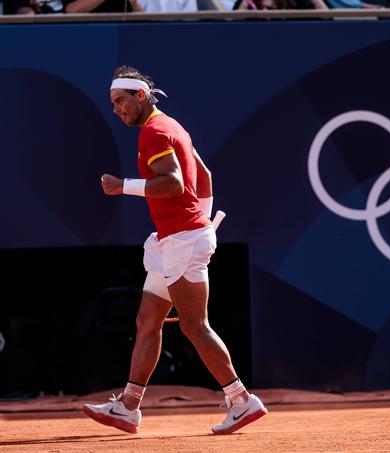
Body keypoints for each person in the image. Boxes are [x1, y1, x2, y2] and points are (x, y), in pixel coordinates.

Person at [83, 65, 267, 435]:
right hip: (177, 238)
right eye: (112, 103)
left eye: (120, 101)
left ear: (139, 95)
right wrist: (203, 217)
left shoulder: (154, 132)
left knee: (195, 326)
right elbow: (205, 175)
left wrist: (123, 187)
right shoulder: (170, 124)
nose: (116, 109)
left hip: (183, 239)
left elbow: (173, 183)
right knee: (147, 321)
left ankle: (242, 400)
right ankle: (129, 407)